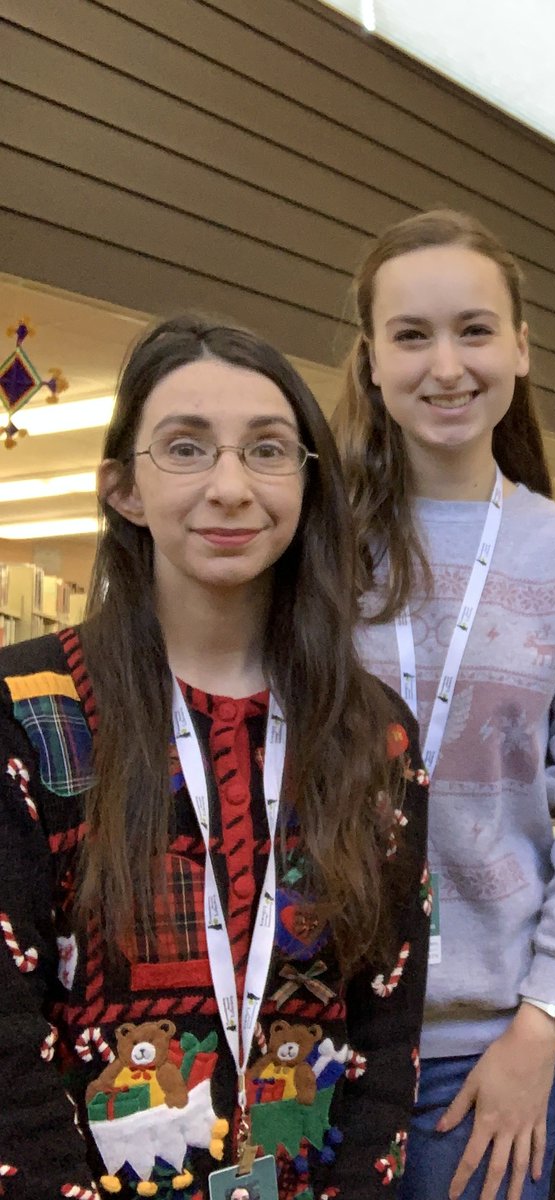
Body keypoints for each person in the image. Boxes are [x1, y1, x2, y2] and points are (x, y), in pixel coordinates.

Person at [0, 315, 429, 1200]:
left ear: (307, 485)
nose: (230, 487)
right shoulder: (29, 711)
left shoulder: (371, 735)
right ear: (122, 488)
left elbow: (387, 1031)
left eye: (267, 450)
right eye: (186, 449)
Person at [334, 209, 555, 1200]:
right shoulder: (313, 549)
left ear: (522, 347)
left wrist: (544, 1022)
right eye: (411, 335)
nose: (446, 365)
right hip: (307, 1033)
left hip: (486, 1045)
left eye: (475, 330)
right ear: (369, 361)